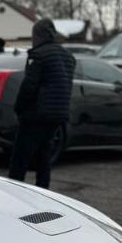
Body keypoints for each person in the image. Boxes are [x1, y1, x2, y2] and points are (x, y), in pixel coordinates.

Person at [8, 18, 75, 189]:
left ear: (37, 35)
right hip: (57, 115)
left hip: (36, 115)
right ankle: (43, 192)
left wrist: (19, 108)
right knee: (44, 159)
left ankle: (14, 192)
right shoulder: (68, 57)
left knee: (20, 158)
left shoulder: (38, 55)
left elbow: (29, 86)